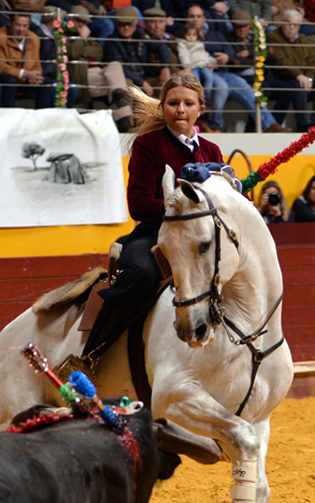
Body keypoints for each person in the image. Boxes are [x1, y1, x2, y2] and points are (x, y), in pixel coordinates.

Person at [82, 73, 223, 357]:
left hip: (203, 241)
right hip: (154, 235)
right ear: (163, 108)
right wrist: (182, 210)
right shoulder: (148, 145)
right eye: (173, 103)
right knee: (140, 277)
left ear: (200, 109)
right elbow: (138, 204)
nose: (180, 109)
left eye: (187, 103)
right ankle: (91, 354)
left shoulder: (212, 150)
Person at [184, 4, 288, 134]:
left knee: (248, 90)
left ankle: (270, 125)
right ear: (186, 18)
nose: (195, 19)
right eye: (192, 16)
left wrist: (227, 55)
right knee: (221, 87)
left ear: (204, 18)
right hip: (205, 73)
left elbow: (228, 48)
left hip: (224, 72)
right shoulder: (185, 36)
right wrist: (210, 59)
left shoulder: (213, 34)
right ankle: (214, 124)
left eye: (198, 16)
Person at [67, 5, 132, 131]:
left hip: (99, 72)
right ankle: (125, 122)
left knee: (115, 64)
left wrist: (83, 51)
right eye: (78, 21)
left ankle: (117, 92)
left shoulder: (87, 36)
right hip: (83, 76)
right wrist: (82, 38)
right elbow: (73, 52)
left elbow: (98, 52)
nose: (80, 24)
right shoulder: (66, 36)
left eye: (83, 22)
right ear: (70, 19)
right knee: (128, 85)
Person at [265, 9, 315, 132]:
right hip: (284, 76)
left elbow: (313, 61)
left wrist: (309, 77)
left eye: (295, 25)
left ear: (299, 26)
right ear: (282, 23)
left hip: (305, 77)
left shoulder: (304, 39)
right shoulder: (273, 37)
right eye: (289, 23)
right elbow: (279, 60)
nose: (291, 27)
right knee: (298, 87)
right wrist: (298, 75)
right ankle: (303, 125)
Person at [0, 12, 48, 108]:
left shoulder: (34, 38)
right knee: (9, 81)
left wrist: (36, 76)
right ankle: (9, 114)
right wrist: (25, 73)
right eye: (18, 25)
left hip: (25, 77)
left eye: (25, 26)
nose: (21, 29)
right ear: (10, 23)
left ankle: (41, 116)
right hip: (3, 75)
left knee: (45, 83)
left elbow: (36, 64)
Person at [177, 21, 217, 100]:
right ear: (184, 35)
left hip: (203, 65)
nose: (191, 37)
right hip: (193, 67)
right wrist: (187, 66)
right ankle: (197, 98)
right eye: (188, 34)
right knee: (195, 82)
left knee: (209, 77)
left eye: (194, 35)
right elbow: (183, 55)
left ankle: (205, 98)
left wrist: (211, 62)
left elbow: (204, 54)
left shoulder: (199, 43)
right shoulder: (182, 44)